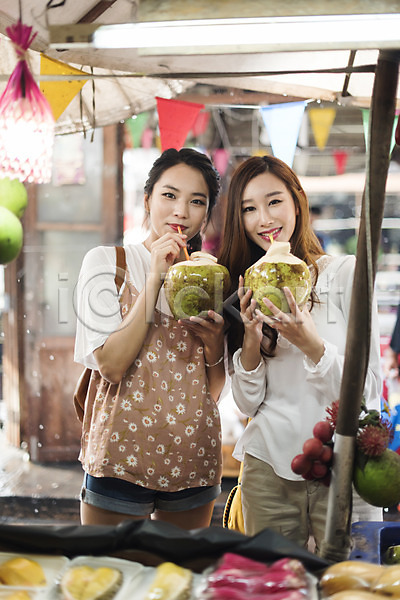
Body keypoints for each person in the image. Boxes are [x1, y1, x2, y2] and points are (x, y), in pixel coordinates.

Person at [218, 155, 382, 552]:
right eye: (249, 209)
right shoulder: (242, 291)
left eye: (274, 201)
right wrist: (252, 341)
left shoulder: (345, 274)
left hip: (343, 467)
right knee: (273, 587)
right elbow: (246, 402)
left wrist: (311, 344)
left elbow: (369, 393)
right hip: (267, 466)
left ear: (297, 202)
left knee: (348, 583)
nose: (263, 219)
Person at [74, 148, 226, 529]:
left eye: (197, 202)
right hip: (120, 456)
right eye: (169, 196)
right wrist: (156, 276)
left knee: (180, 583)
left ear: (206, 214)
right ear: (147, 199)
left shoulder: (212, 277)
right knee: (110, 574)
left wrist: (214, 343)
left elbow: (215, 388)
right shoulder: (108, 263)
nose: (181, 212)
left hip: (193, 455)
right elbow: (111, 365)